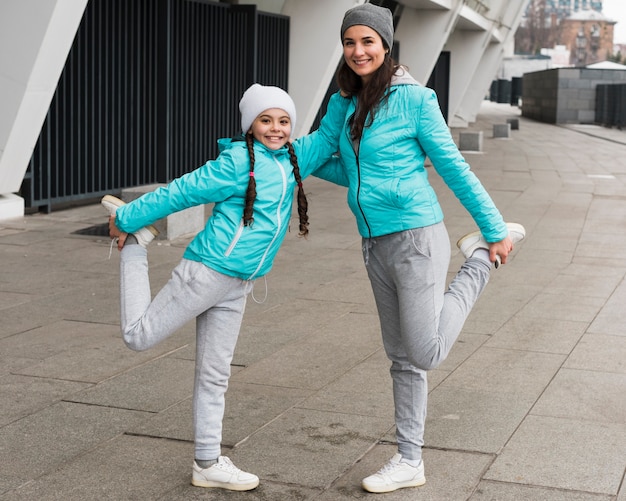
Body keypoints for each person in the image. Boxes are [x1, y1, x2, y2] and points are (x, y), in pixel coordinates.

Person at [314, 3, 526, 494]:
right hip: (373, 243)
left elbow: (453, 167)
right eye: (350, 42)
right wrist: (279, 156)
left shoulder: (415, 100)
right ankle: (410, 460)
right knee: (402, 358)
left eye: (368, 41)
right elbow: (330, 157)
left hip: (416, 239)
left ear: (386, 45)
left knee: (425, 352)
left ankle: (477, 261)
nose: (358, 51)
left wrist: (494, 230)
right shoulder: (343, 103)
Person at [101, 83, 348, 491]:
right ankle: (136, 247)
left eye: (284, 121)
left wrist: (346, 91)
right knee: (139, 335)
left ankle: (207, 462)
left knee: (215, 375)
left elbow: (326, 134)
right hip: (208, 272)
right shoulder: (235, 162)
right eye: (266, 120)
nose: (276, 128)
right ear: (250, 125)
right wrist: (128, 218)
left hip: (239, 284)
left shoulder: (294, 157)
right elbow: (182, 190)